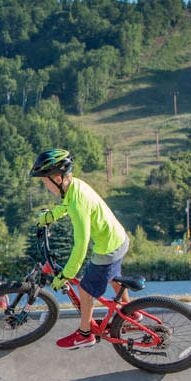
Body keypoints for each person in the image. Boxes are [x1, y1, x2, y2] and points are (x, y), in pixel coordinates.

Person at [30, 149, 130, 350]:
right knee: (113, 276)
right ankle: (130, 312)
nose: (45, 185)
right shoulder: (75, 186)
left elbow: (81, 243)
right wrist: (51, 216)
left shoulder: (77, 202)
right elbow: (65, 206)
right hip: (119, 238)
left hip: (108, 248)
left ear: (58, 178)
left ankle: (85, 334)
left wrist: (66, 274)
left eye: (45, 181)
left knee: (84, 289)